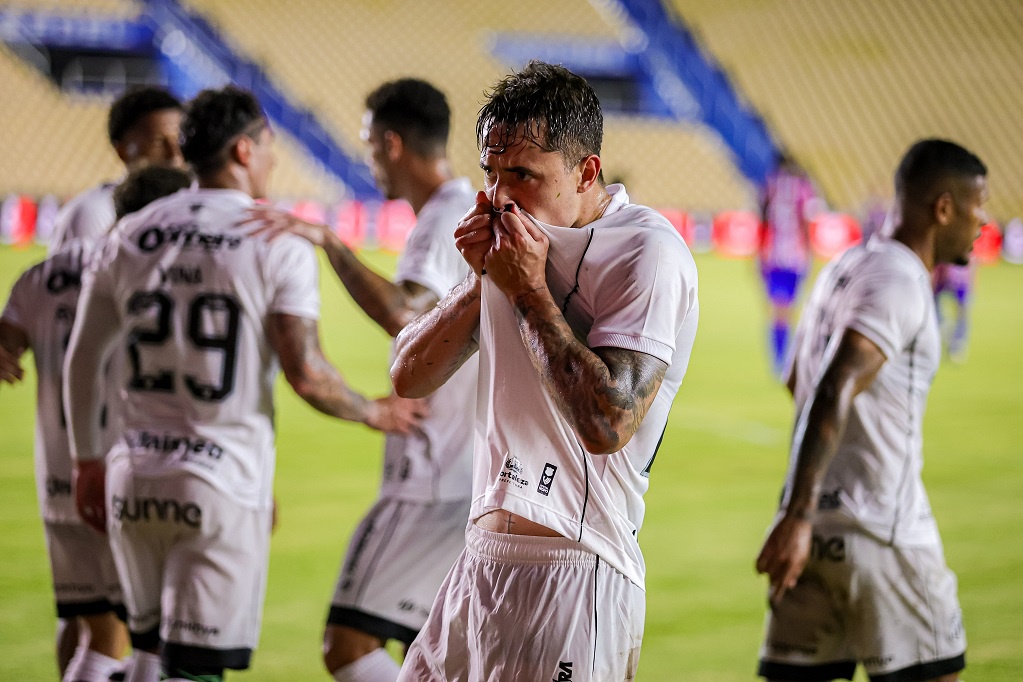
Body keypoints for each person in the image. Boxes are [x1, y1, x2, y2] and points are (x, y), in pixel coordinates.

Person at [63, 85, 424, 682]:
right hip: (221, 483)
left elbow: (83, 358)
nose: (273, 160)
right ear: (240, 151)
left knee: (149, 658)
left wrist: (86, 463)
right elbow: (307, 373)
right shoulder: (275, 237)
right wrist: (373, 412)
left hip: (132, 477)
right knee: (198, 669)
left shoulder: (129, 233)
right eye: (266, 147)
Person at [389, 61, 700, 681]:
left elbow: (608, 422)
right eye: (491, 172)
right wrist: (484, 280)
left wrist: (528, 290)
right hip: (481, 557)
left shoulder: (647, 251)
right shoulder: (514, 243)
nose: (500, 196)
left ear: (587, 171)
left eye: (523, 175)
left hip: (577, 566)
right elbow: (408, 375)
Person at [250, 78, 477, 681]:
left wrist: (329, 243)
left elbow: (408, 311)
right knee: (429, 655)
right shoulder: (460, 210)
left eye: (369, 144)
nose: (367, 157)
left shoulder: (445, 217)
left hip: (429, 479)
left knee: (347, 644)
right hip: (466, 475)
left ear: (393, 144)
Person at [755, 138, 988, 682]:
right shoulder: (903, 278)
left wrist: (801, 511)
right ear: (944, 207)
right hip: (886, 532)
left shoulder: (843, 266)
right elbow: (834, 384)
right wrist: (798, 516)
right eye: (978, 208)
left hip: (815, 537)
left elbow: (800, 381)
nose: (984, 223)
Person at [0, 166, 193, 682]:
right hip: (125, 476)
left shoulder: (41, 274)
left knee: (98, 634)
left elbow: (6, 341)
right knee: (136, 640)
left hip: (60, 481)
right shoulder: (154, 274)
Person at [49, 86, 186, 255]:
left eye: (180, 140)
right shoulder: (94, 213)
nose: (175, 154)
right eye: (158, 142)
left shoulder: (199, 205)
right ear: (122, 151)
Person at [758, 152, 821, 376]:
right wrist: (809, 252)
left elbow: (763, 220)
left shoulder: (770, 186)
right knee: (790, 311)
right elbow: (806, 221)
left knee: (778, 311)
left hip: (773, 256)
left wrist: (759, 252)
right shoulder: (803, 187)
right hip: (795, 257)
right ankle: (787, 360)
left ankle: (779, 359)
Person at [932, 260, 975, 363]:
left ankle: (957, 343)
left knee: (962, 313)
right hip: (944, 277)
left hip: (961, 279)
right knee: (935, 307)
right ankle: (944, 329)